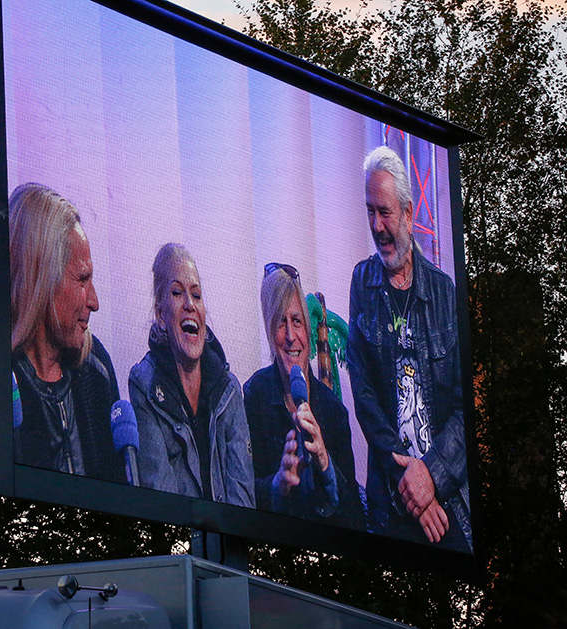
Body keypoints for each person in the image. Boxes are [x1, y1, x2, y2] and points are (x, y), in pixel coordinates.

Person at [347, 146, 471, 551]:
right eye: (370, 211)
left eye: (384, 212)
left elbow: (462, 406)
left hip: (446, 494)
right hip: (389, 499)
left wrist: (430, 475)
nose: (377, 225)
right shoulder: (361, 283)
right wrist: (408, 478)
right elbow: (364, 397)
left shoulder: (443, 291)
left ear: (408, 213)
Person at [9, 183, 123, 483]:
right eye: (82, 279)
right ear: (41, 277)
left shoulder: (96, 367)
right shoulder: (0, 378)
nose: (94, 302)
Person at [128, 243, 255, 506]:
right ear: (161, 315)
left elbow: (244, 499)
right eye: (177, 293)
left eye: (196, 295)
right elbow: (163, 503)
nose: (190, 305)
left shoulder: (230, 391)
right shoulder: (144, 388)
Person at [243, 263, 363, 529]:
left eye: (296, 321)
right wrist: (278, 485)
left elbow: (355, 515)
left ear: (308, 330)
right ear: (269, 332)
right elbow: (242, 493)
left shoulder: (333, 410)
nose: (290, 336)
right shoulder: (254, 396)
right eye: (279, 323)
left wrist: (324, 462)